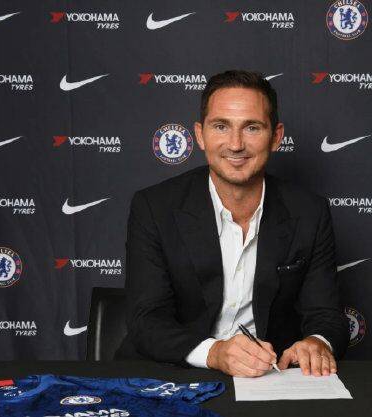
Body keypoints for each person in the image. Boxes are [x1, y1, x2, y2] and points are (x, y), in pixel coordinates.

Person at [118, 70, 349, 377]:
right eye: (221, 126)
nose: (236, 144)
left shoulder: (309, 212)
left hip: (266, 377)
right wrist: (214, 353)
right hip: (174, 371)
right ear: (200, 135)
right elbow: (146, 320)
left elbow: (326, 314)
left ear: (276, 137)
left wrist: (317, 342)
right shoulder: (154, 207)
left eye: (252, 127)